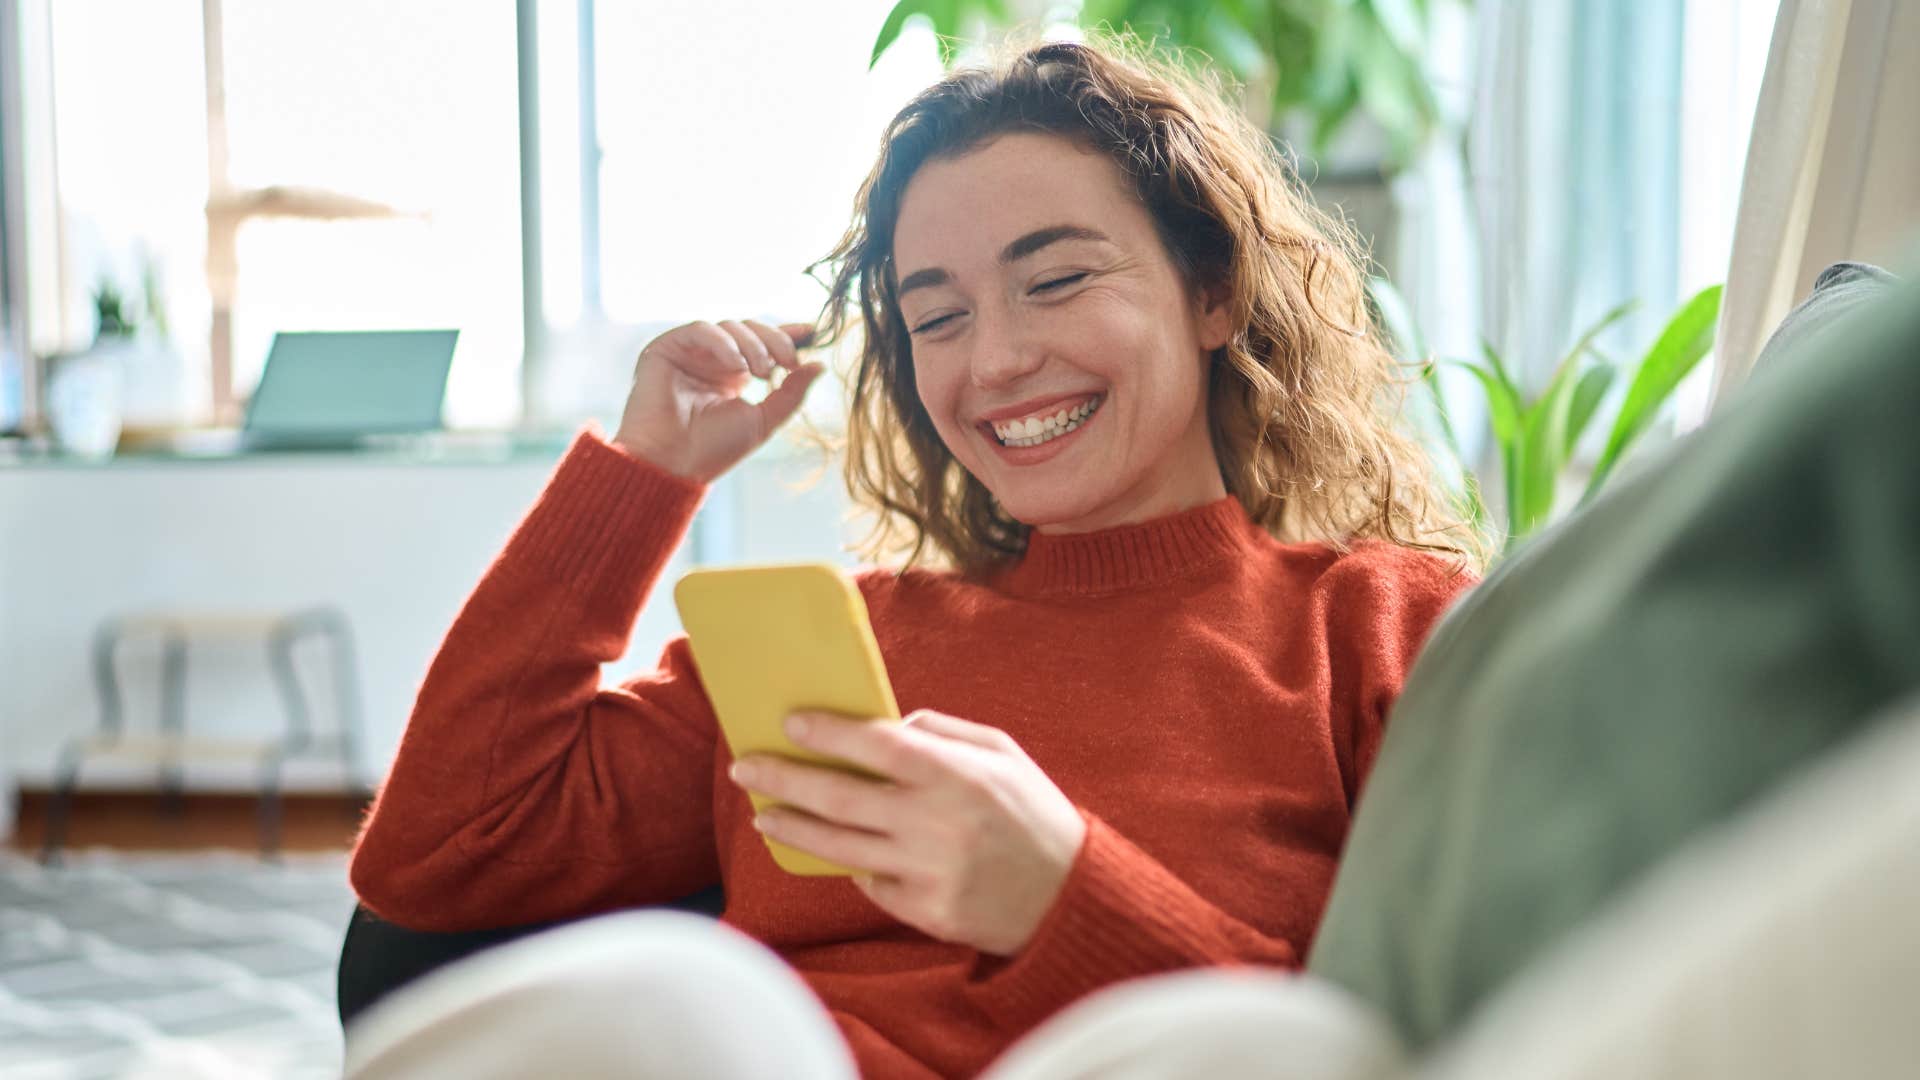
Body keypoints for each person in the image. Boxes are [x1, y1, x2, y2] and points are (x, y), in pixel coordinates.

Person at [345, 37, 1480, 1080]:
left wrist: (1061, 896)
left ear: (1213, 291)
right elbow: (439, 857)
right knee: (674, 997)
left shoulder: (1383, 629)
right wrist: (644, 475)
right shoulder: (842, 651)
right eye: (937, 318)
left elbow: (1450, 1034)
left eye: (1057, 280)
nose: (995, 361)